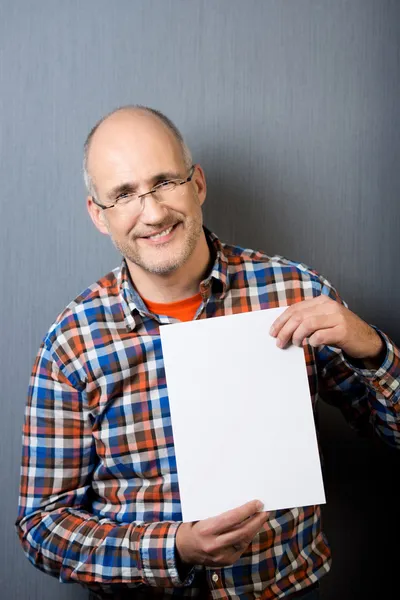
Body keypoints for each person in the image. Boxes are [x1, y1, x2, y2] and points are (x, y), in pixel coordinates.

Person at [16, 105, 400, 600]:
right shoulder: (72, 343)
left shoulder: (295, 292)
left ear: (196, 184)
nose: (152, 213)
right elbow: (43, 527)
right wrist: (173, 547)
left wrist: (368, 346)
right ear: (99, 215)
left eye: (164, 183)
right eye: (124, 195)